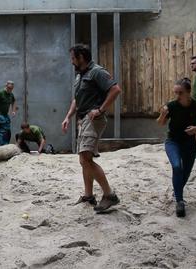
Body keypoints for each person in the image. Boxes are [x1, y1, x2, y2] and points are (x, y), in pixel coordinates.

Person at [61, 44, 122, 213]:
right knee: (84, 160)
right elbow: (76, 99)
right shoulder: (80, 76)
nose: (71, 61)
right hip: (83, 119)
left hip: (93, 119)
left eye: (73, 58)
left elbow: (115, 90)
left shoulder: (97, 71)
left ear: (81, 57)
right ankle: (89, 195)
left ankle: (109, 195)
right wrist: (68, 117)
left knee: (85, 159)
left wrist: (101, 109)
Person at [157, 78, 196, 218]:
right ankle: (180, 201)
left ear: (188, 92)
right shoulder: (172, 105)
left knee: (185, 172)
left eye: (180, 93)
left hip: (189, 143)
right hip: (172, 141)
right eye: (175, 92)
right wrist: (163, 113)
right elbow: (161, 123)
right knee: (177, 166)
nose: (177, 96)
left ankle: (177, 190)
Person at [0, 80, 17, 145]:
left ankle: (6, 145)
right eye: (9, 88)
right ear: (6, 86)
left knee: (8, 132)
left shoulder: (11, 94)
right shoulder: (0, 93)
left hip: (5, 115)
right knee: (2, 131)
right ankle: (3, 146)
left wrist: (13, 110)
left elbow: (14, 101)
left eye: (11, 88)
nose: (10, 90)